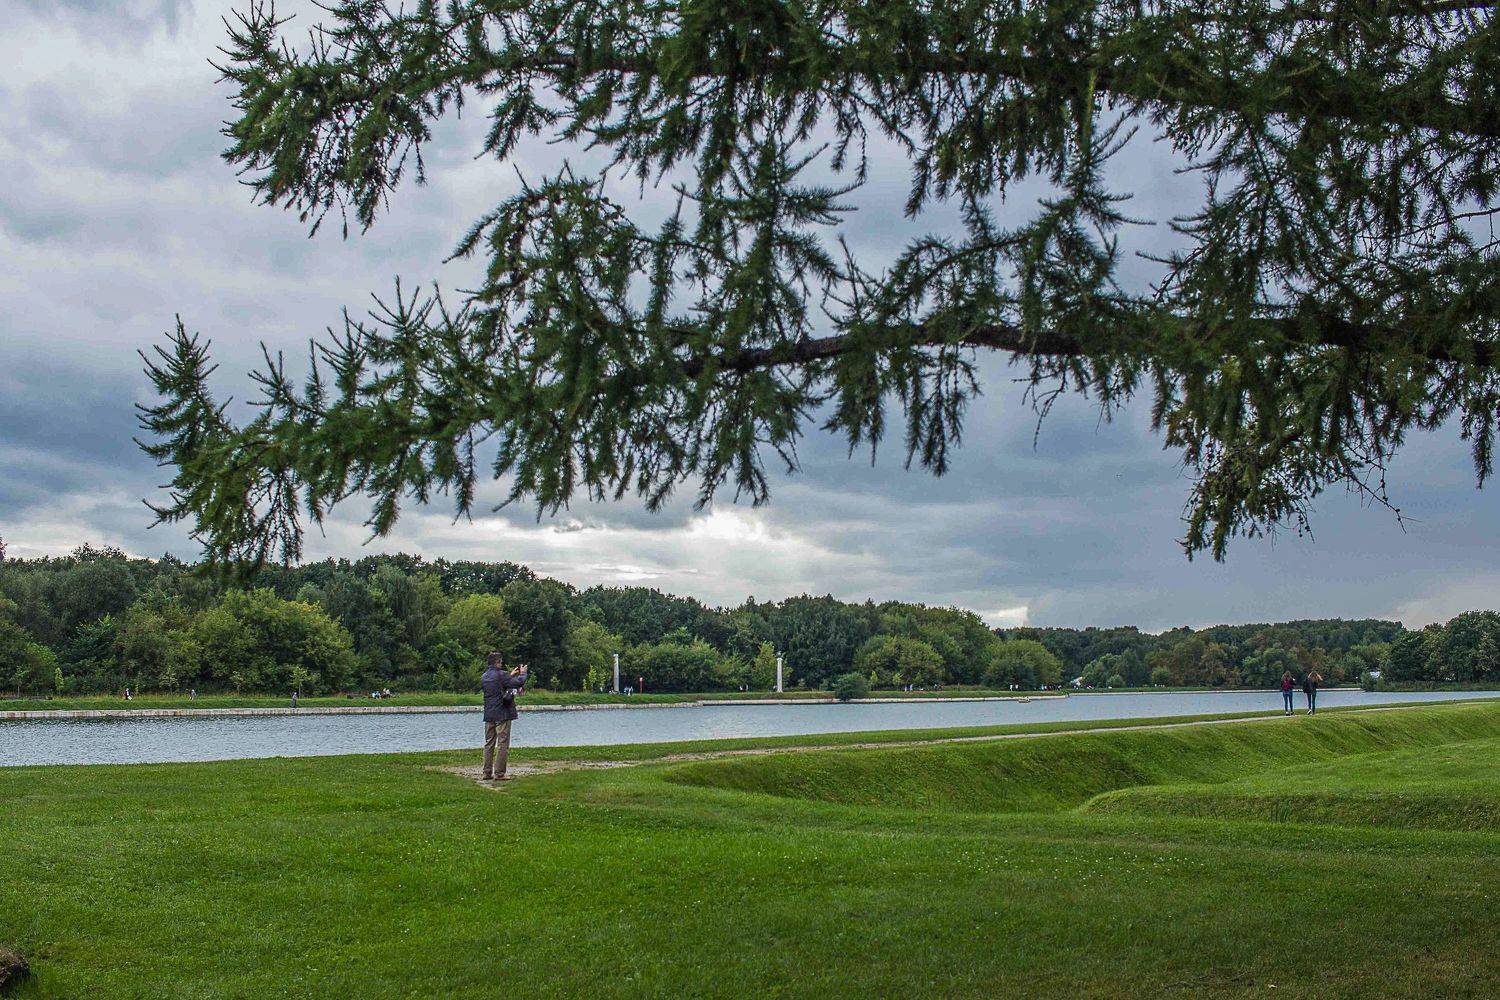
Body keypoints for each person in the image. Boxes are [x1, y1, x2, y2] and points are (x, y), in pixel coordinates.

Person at [481, 653, 528, 780]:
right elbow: (519, 682)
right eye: (501, 662)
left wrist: (510, 675)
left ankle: (486, 772)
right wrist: (523, 673)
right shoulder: (502, 674)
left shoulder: (484, 676)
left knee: (489, 743)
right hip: (502, 713)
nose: (501, 664)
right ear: (497, 662)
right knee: (502, 743)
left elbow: (498, 686)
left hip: (489, 714)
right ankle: (499, 773)